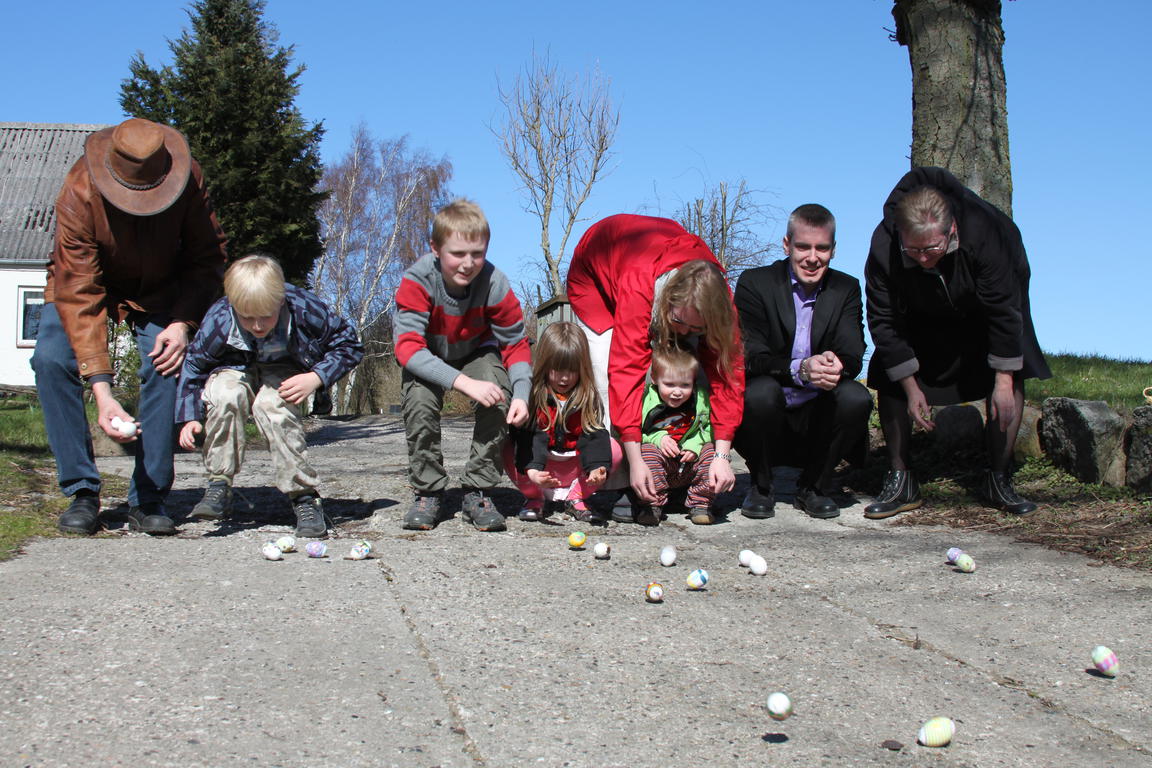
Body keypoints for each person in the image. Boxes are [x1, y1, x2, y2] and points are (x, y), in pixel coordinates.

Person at [31, 118, 227, 536]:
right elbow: (80, 291)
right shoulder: (80, 189)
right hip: (80, 283)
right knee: (50, 359)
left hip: (160, 288)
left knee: (166, 361)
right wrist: (102, 392)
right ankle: (82, 491)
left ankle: (150, 495)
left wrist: (181, 323)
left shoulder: (188, 179)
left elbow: (207, 258)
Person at [864, 166, 1051, 518]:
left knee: (1011, 368)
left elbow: (1004, 309)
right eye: (913, 249)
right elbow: (884, 320)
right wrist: (910, 386)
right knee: (887, 367)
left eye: (931, 248)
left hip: (983, 309)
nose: (922, 257)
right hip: (920, 311)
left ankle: (998, 477)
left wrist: (1003, 379)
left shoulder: (986, 231)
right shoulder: (883, 245)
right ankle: (901, 479)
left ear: (951, 230)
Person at [565, 214, 744, 521]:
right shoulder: (640, 285)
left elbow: (728, 379)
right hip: (595, 274)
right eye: (678, 322)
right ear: (667, 302)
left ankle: (679, 472)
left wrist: (723, 455)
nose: (686, 332)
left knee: (683, 371)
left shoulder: (722, 304)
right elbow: (625, 372)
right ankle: (625, 480)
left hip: (654, 271)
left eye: (695, 327)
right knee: (607, 370)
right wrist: (635, 461)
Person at [175, 255, 364, 538]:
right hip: (234, 367)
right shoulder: (219, 318)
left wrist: (316, 378)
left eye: (266, 316)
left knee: (271, 405)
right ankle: (219, 483)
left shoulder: (303, 306)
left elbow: (349, 344)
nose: (258, 326)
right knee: (228, 395)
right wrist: (189, 416)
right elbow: (193, 365)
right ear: (233, 307)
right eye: (247, 318)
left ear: (280, 301)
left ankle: (303, 496)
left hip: (284, 368)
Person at [394, 199, 530, 532]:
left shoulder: (495, 282)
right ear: (435, 248)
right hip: (427, 353)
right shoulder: (417, 280)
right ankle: (428, 491)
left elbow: (514, 343)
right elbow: (408, 349)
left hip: (476, 350)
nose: (468, 264)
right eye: (458, 253)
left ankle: (478, 490)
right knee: (419, 401)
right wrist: (464, 384)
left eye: (477, 253)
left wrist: (522, 394)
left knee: (499, 395)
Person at [734, 204, 873, 520]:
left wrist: (834, 365)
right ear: (787, 245)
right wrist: (800, 369)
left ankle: (815, 486)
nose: (812, 257)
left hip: (819, 414)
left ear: (833, 250)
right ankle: (761, 485)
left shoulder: (846, 288)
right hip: (769, 411)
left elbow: (853, 351)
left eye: (822, 248)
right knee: (758, 392)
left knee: (856, 397)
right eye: (803, 247)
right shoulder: (756, 283)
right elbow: (749, 355)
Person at [503, 321, 620, 523]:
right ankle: (534, 498)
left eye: (572, 370)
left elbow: (594, 435)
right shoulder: (534, 395)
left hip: (573, 468)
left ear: (582, 368)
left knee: (614, 449)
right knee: (506, 446)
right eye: (557, 369)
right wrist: (532, 470)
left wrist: (597, 467)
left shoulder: (587, 396)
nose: (565, 378)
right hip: (540, 470)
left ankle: (577, 498)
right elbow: (527, 438)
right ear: (545, 366)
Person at [638, 345, 717, 526]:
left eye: (685, 385)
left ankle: (700, 503)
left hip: (689, 461)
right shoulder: (646, 400)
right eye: (670, 384)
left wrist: (695, 444)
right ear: (655, 379)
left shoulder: (701, 399)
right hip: (661, 462)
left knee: (711, 454)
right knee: (647, 452)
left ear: (694, 382)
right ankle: (652, 504)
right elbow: (637, 432)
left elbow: (710, 428)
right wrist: (658, 438)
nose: (677, 391)